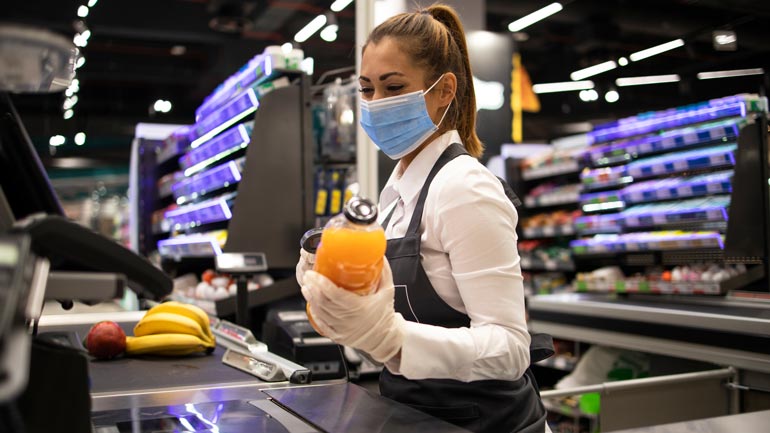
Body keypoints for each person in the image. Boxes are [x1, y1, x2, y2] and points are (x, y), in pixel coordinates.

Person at [297, 4, 553, 432]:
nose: (375, 104)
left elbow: (510, 349)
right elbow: (385, 326)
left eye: (393, 87)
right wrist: (342, 300)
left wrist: (392, 338)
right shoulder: (395, 193)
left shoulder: (465, 189)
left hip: (486, 422)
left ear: (444, 90)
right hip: (414, 415)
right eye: (366, 89)